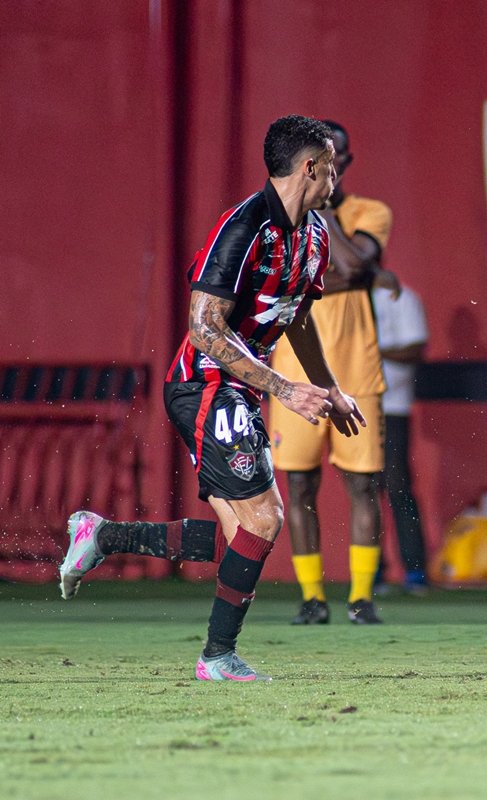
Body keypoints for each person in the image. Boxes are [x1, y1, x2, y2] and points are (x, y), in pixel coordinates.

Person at [59, 115, 364, 680]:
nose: (337, 176)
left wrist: (329, 389)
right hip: (204, 384)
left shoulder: (316, 235)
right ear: (311, 166)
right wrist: (286, 390)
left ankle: (102, 535)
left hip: (242, 389)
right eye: (332, 165)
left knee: (242, 543)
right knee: (267, 518)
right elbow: (203, 328)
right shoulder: (242, 228)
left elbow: (296, 320)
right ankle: (217, 657)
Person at [268, 120, 398, 625]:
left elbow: (356, 267)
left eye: (336, 157)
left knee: (363, 486)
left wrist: (321, 213)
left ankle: (362, 597)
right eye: (321, 159)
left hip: (356, 367)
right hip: (294, 372)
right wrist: (351, 272)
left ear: (346, 161)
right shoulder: (279, 215)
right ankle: (312, 598)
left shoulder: (369, 212)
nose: (331, 166)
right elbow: (314, 277)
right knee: (299, 485)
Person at [372, 282, 431, 593]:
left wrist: (369, 349)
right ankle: (371, 570)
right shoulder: (343, 297)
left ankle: (415, 569)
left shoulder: (401, 297)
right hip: (354, 405)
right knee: (364, 488)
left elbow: (414, 349)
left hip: (392, 406)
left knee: (397, 485)